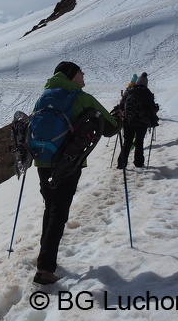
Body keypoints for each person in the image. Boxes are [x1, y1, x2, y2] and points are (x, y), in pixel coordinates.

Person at [32, 61, 123, 285]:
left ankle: (45, 255)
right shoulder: (81, 97)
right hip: (68, 164)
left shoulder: (44, 97)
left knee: (50, 207)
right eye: (82, 73)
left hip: (43, 161)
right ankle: (45, 269)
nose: (84, 76)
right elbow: (110, 128)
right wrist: (120, 118)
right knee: (59, 213)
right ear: (71, 75)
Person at [117, 72, 159, 169]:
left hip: (127, 121)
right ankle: (139, 163)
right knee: (139, 142)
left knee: (127, 142)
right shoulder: (147, 93)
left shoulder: (128, 91)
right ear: (146, 83)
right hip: (142, 122)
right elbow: (152, 109)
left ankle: (121, 164)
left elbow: (121, 106)